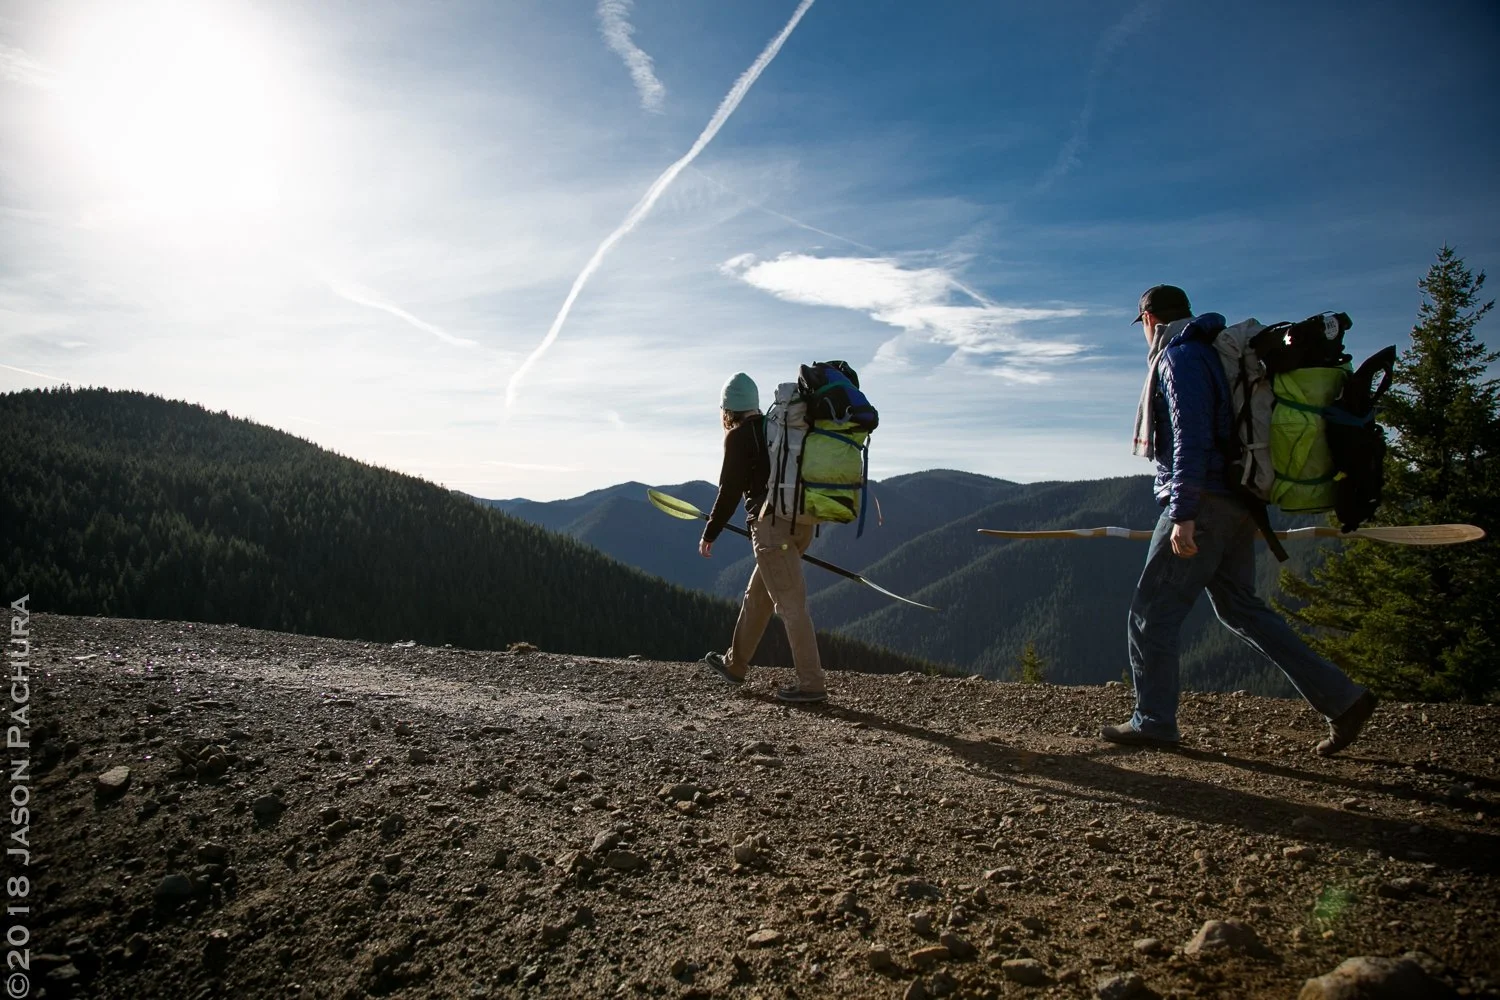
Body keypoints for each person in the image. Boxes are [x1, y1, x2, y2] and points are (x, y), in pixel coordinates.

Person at [1104, 284, 1378, 755]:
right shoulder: (1220, 353)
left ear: (1149, 321)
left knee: (1152, 614)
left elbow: (1191, 439)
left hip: (1201, 501)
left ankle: (1152, 721)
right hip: (1239, 500)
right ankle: (1343, 701)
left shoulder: (1179, 357)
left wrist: (1184, 514)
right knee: (1240, 608)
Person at [698, 372, 828, 703]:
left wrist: (710, 533)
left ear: (727, 409)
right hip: (802, 524)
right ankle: (735, 665)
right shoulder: (780, 427)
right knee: (758, 596)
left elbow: (728, 493)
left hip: (772, 528)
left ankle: (812, 684)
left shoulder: (740, 436)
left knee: (790, 605)